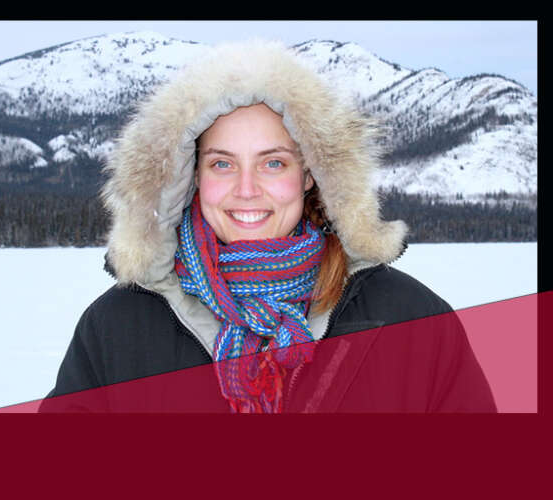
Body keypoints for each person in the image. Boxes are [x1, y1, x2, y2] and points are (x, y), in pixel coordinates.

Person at [43, 40, 495, 413]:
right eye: (222, 164)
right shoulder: (119, 325)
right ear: (191, 177)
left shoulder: (409, 317)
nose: (246, 189)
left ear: (310, 174)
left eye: (273, 163)